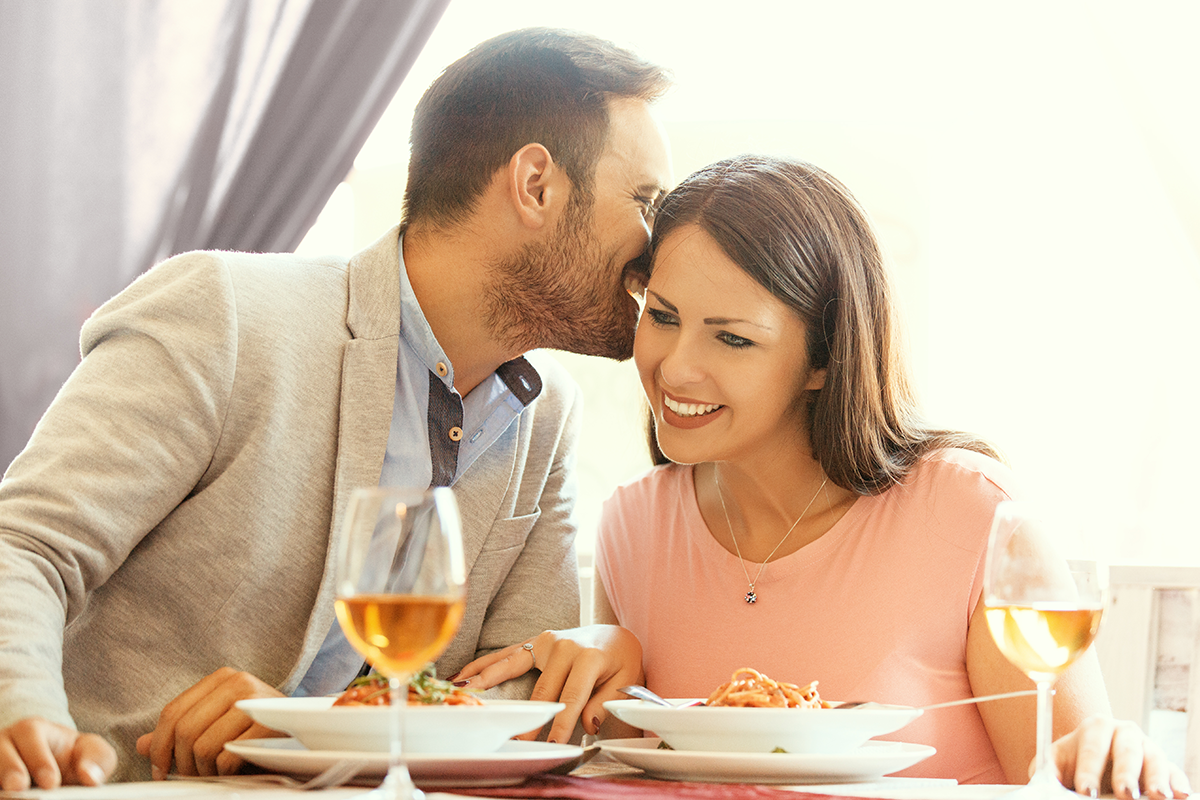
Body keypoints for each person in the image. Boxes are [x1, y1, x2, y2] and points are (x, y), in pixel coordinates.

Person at [0, 27, 673, 789]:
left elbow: (522, 695)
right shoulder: (224, 315)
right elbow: (25, 548)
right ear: (536, 184)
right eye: (646, 202)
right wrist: (25, 716)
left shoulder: (547, 418)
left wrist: (317, 732)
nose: (659, 245)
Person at [456, 155, 1191, 799]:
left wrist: (1116, 753)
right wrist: (614, 682)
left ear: (824, 359)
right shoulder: (634, 526)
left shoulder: (972, 515)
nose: (675, 368)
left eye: (734, 338)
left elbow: (1072, 773)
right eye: (664, 315)